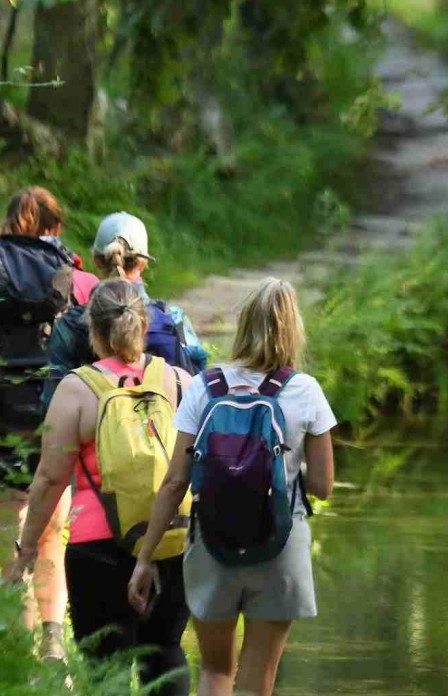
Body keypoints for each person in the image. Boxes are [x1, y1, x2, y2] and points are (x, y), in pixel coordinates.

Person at [129, 278, 337, 696]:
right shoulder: (305, 391)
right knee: (258, 681)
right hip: (280, 546)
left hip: (211, 544)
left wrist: (145, 557)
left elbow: (175, 482)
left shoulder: (205, 387)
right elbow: (322, 486)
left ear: (243, 325)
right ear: (293, 330)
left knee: (215, 670)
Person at [7, 279, 194, 695]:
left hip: (98, 547)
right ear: (144, 325)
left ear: (92, 330)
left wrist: (28, 549)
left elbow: (49, 479)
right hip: (170, 539)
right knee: (165, 653)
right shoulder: (180, 382)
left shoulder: (77, 389)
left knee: (105, 667)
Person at [0, 186, 97, 661]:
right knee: (51, 531)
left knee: (7, 533)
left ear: (8, 220)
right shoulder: (72, 274)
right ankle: (54, 645)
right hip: (54, 416)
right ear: (55, 227)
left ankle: (18, 651)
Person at [43, 211, 207, 407]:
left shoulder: (70, 325)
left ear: (96, 260)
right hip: (162, 425)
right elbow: (198, 381)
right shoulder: (173, 317)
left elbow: (51, 402)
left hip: (94, 425)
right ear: (143, 264)